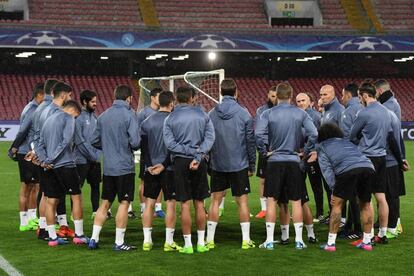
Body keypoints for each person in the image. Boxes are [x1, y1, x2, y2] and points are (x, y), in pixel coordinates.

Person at [255, 82, 318, 250]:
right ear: (291, 95)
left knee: (271, 201)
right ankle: (299, 240)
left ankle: (269, 240)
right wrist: (306, 151)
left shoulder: (268, 113)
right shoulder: (300, 113)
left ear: (277, 95)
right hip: (293, 161)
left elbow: (258, 134)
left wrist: (264, 151)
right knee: (296, 201)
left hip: (274, 161)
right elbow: (314, 133)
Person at [163, 86, 215, 254]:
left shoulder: (170, 118)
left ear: (177, 99)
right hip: (199, 161)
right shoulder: (203, 115)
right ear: (192, 98)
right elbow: (210, 138)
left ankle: (187, 245)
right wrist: (197, 154)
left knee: (184, 204)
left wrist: (186, 152)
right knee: (199, 203)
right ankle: (200, 243)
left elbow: (170, 144)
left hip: (179, 162)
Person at [88, 85, 140, 251]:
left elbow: (94, 140)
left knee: (105, 203)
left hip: (109, 167)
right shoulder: (130, 114)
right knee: (124, 203)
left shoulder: (103, 116)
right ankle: (119, 242)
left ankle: (93, 239)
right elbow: (136, 142)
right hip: (124, 167)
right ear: (129, 98)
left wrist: (108, 147)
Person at [207, 79, 256, 249]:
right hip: (239, 164)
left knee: (215, 201)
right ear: (236, 92)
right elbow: (250, 142)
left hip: (218, 164)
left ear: (220, 92)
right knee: (242, 202)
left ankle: (210, 239)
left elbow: (207, 140)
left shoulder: (211, 114)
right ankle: (245, 240)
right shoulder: (244, 114)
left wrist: (209, 163)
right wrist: (252, 165)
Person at [37, 100, 88, 246]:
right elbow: (66, 141)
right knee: (76, 197)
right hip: (65, 165)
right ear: (72, 110)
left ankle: (52, 238)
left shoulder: (48, 120)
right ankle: (79, 235)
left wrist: (45, 161)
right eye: (76, 116)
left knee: (51, 201)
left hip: (49, 167)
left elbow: (39, 144)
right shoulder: (68, 118)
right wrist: (52, 158)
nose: (76, 119)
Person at [317, 123, 375, 252]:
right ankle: (367, 242)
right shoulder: (347, 142)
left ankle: (331, 244)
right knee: (365, 204)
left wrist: (333, 190)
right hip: (368, 167)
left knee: (337, 205)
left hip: (346, 170)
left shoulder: (322, 147)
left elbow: (327, 171)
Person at [350, 82, 392, 245]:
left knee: (365, 200)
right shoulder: (386, 112)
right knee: (381, 197)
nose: (360, 100)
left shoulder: (364, 113)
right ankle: (382, 234)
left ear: (365, 95)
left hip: (367, 158)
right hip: (381, 157)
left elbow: (352, 136)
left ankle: (367, 237)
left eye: (360, 97)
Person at [140, 91, 181, 252]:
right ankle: (168, 241)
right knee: (171, 203)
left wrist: (150, 165)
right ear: (171, 103)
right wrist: (164, 164)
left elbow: (144, 148)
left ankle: (147, 241)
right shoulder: (174, 121)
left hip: (150, 169)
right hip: (169, 168)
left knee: (149, 203)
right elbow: (173, 147)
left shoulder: (146, 121)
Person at [10, 82, 45, 231]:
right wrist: (14, 147)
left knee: (34, 186)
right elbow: (23, 130)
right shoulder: (32, 110)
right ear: (39, 95)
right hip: (26, 152)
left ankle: (32, 218)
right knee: (26, 187)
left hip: (31, 152)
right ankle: (23, 222)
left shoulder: (34, 108)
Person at [339, 83, 364, 239]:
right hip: (366, 157)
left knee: (352, 193)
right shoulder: (364, 109)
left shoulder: (347, 112)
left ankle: (357, 229)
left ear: (348, 95)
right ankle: (350, 224)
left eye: (342, 95)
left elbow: (346, 138)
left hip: (351, 157)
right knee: (358, 193)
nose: (342, 98)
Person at [136, 88, 164, 219]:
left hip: (161, 152)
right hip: (147, 153)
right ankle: (143, 208)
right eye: (159, 97)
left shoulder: (164, 112)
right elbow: (138, 132)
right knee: (144, 181)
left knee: (161, 181)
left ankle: (158, 208)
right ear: (152, 98)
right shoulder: (143, 113)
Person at [296, 92, 324, 221]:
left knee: (316, 185)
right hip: (299, 155)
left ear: (310, 102)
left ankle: (319, 213)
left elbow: (320, 137)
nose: (301, 103)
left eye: (303, 100)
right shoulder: (295, 117)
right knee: (299, 184)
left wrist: (315, 151)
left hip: (312, 156)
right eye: (298, 101)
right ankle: (301, 211)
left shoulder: (317, 117)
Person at [319, 85, 345, 222]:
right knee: (328, 187)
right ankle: (332, 214)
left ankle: (342, 218)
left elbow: (343, 133)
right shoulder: (326, 110)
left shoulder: (339, 110)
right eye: (321, 95)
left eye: (325, 95)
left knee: (337, 187)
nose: (322, 97)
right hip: (326, 155)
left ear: (333, 94)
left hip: (335, 155)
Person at [75, 90, 101, 218]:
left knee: (96, 186)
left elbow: (99, 138)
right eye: (93, 101)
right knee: (77, 188)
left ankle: (96, 211)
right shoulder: (78, 118)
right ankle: (75, 212)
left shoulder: (96, 117)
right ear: (85, 102)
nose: (95, 104)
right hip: (81, 160)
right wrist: (92, 155)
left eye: (96, 101)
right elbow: (80, 141)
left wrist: (97, 154)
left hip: (95, 159)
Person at [254, 86, 277, 219]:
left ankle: (282, 206)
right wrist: (262, 149)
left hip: (279, 147)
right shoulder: (261, 111)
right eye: (272, 96)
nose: (274, 99)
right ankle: (264, 209)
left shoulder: (282, 111)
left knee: (280, 179)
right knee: (263, 179)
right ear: (268, 96)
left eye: (276, 96)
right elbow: (259, 132)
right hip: (266, 147)